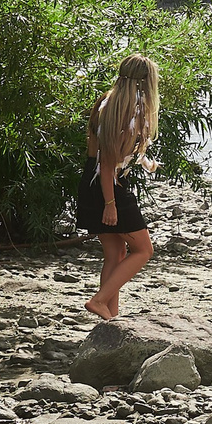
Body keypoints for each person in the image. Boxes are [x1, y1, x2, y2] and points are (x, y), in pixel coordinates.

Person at [80, 54, 162, 321]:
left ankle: (110, 319)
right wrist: (110, 203)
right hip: (108, 186)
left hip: (92, 180)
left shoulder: (106, 102)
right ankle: (99, 300)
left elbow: (98, 152)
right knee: (144, 250)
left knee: (115, 253)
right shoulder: (131, 110)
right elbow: (107, 163)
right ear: (147, 82)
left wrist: (146, 163)